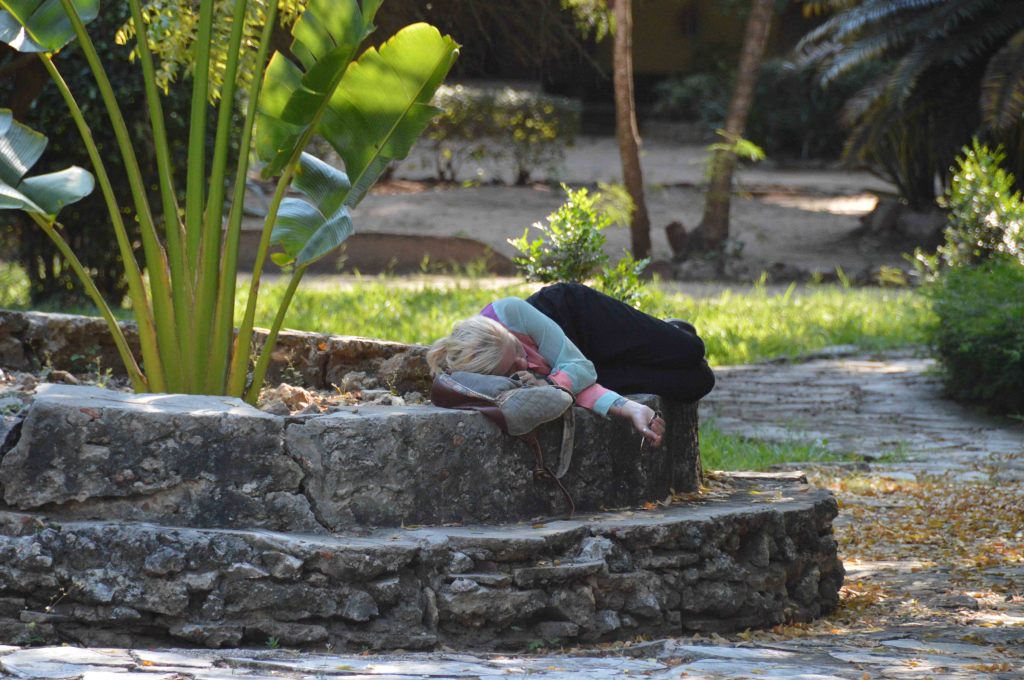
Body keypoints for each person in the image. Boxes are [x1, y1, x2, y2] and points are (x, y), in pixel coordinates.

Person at [426, 282, 715, 447]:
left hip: (580, 324)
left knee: (690, 349)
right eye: (513, 368)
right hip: (576, 367)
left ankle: (665, 331)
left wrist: (549, 382)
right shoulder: (488, 379)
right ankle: (635, 354)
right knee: (698, 381)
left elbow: (579, 368)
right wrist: (633, 409)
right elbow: (576, 390)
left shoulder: (511, 311)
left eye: (518, 348)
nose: (524, 362)